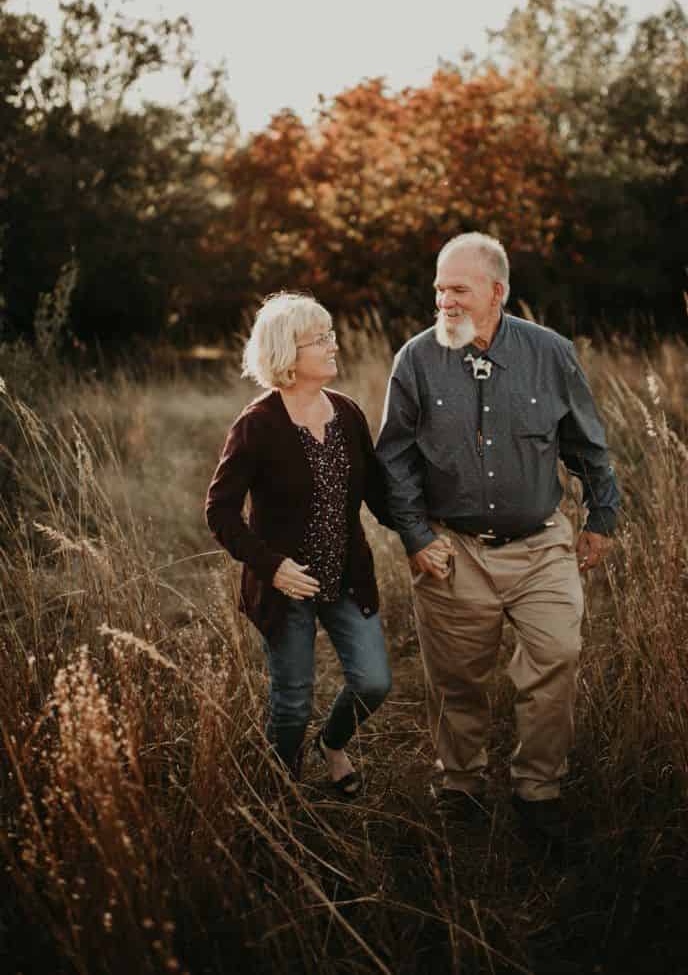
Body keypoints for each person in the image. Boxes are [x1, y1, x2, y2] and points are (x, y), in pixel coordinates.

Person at [375, 231, 621, 837]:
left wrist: (602, 518)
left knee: (557, 656)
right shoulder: (416, 360)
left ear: (497, 291)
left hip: (541, 546)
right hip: (453, 549)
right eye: (439, 289)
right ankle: (461, 786)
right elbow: (394, 460)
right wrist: (415, 537)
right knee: (457, 679)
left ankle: (538, 790)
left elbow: (588, 444)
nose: (445, 301)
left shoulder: (551, 353)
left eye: (458, 289)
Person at [205, 295, 393, 788]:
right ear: (287, 352)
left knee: (374, 682)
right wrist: (272, 566)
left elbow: (379, 495)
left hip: (346, 576)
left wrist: (425, 532)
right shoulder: (257, 425)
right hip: (285, 588)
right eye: (321, 339)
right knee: (291, 702)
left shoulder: (347, 414)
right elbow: (219, 511)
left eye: (332, 335)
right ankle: (282, 792)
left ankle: (331, 744)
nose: (334, 346)